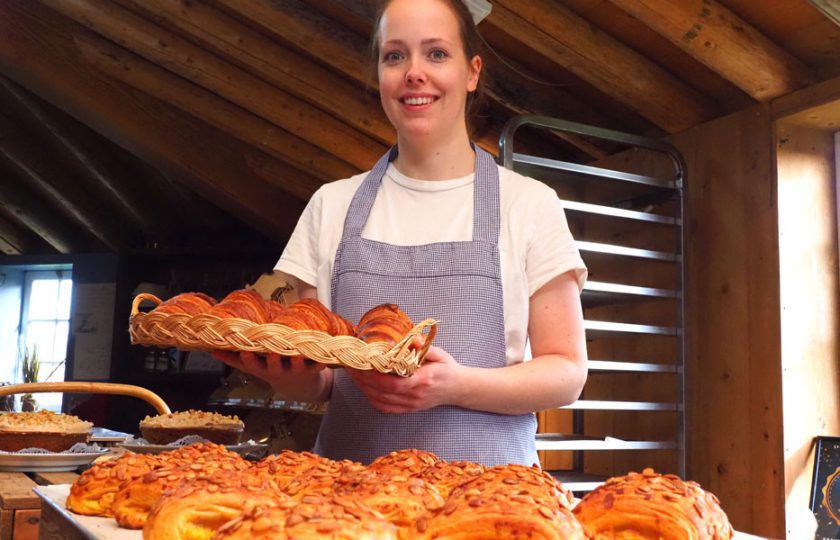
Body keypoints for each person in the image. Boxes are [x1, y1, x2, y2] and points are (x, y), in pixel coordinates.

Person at [214, 0, 588, 467]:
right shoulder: (333, 205)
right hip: (347, 508)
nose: (414, 73)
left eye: (436, 53)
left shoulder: (529, 204)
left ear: (472, 72)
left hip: (494, 504)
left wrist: (456, 385)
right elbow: (324, 381)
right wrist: (287, 376)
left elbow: (567, 372)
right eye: (395, 56)